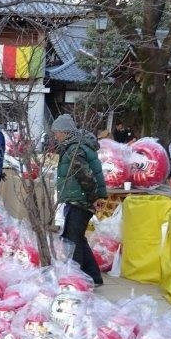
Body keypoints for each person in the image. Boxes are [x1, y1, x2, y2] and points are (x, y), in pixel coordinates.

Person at [52, 113, 107, 285]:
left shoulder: (74, 149)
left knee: (72, 239)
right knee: (77, 237)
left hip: (81, 201)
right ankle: (93, 276)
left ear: (65, 132)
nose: (55, 137)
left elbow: (85, 177)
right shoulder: (76, 146)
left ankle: (77, 278)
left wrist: (92, 198)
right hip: (78, 199)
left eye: (57, 133)